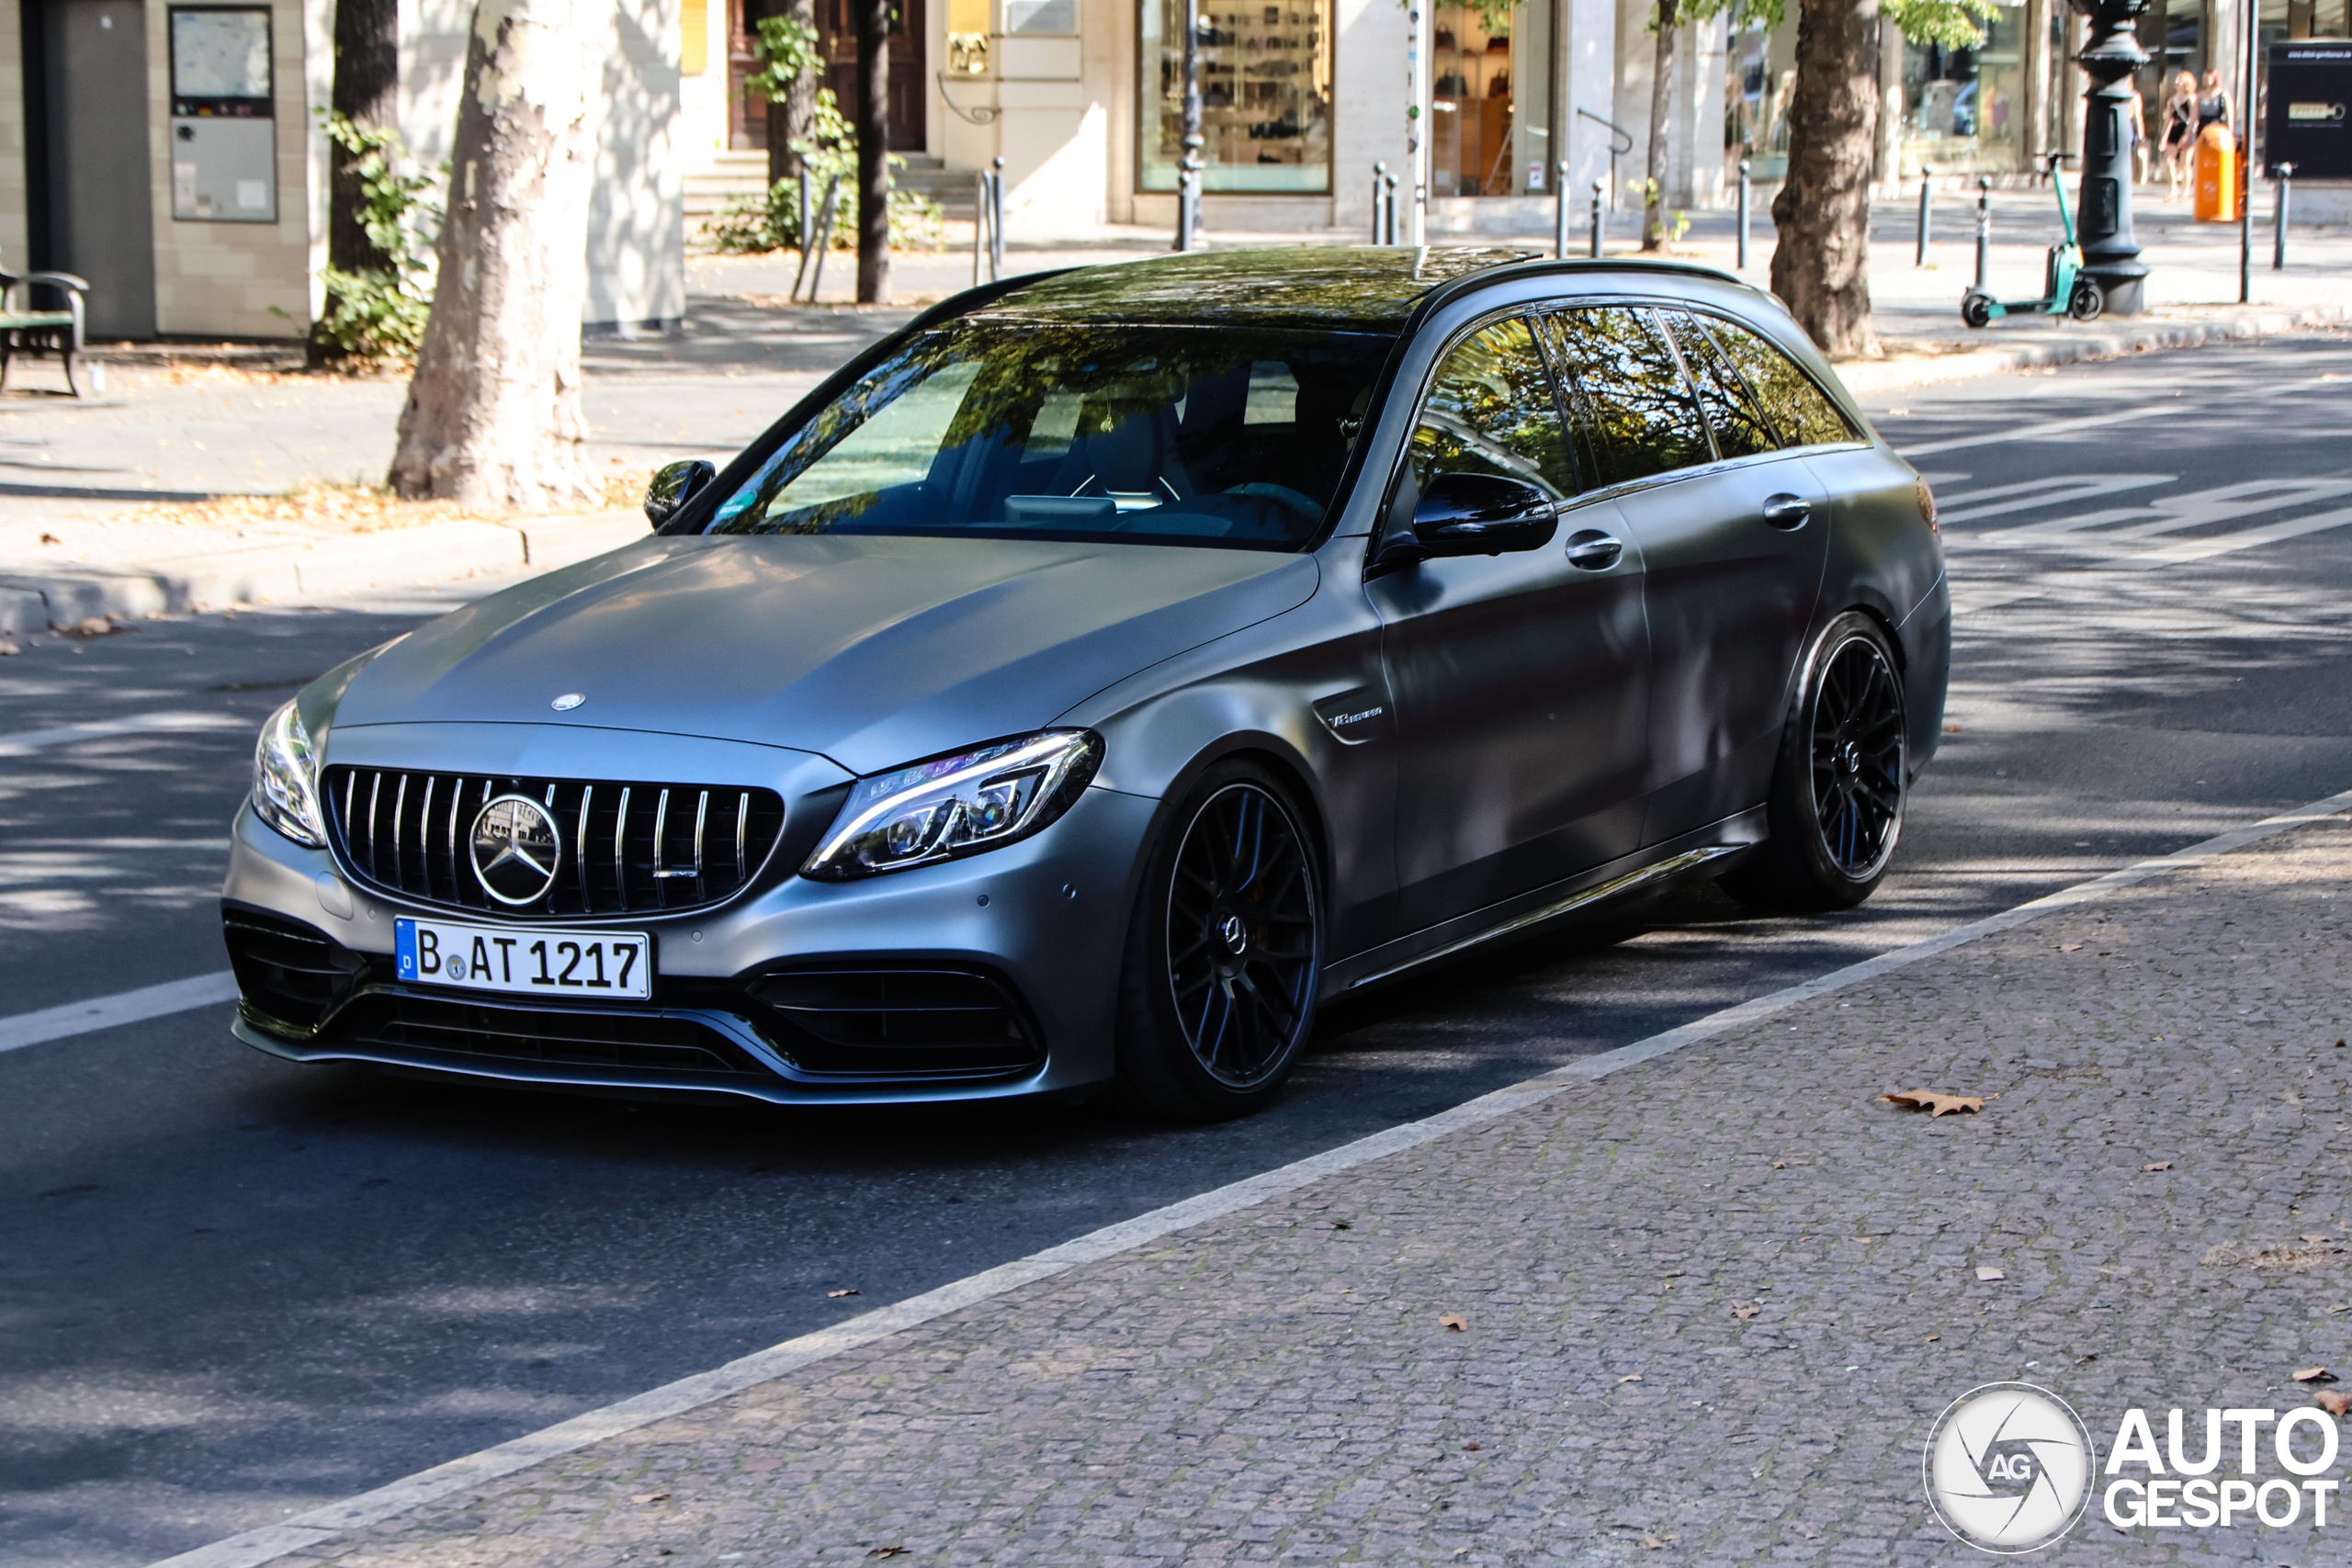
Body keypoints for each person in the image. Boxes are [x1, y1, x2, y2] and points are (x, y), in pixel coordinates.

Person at [2161, 70, 2198, 198]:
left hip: (2186, 131)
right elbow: (2168, 120)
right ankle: (2173, 188)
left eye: (2181, 80)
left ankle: (2186, 190)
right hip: (2174, 131)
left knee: (2185, 163)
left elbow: (2193, 118)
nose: (2177, 82)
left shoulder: (2191, 99)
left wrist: (2187, 135)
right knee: (2168, 161)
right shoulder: (2172, 100)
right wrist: (2164, 137)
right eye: (2177, 79)